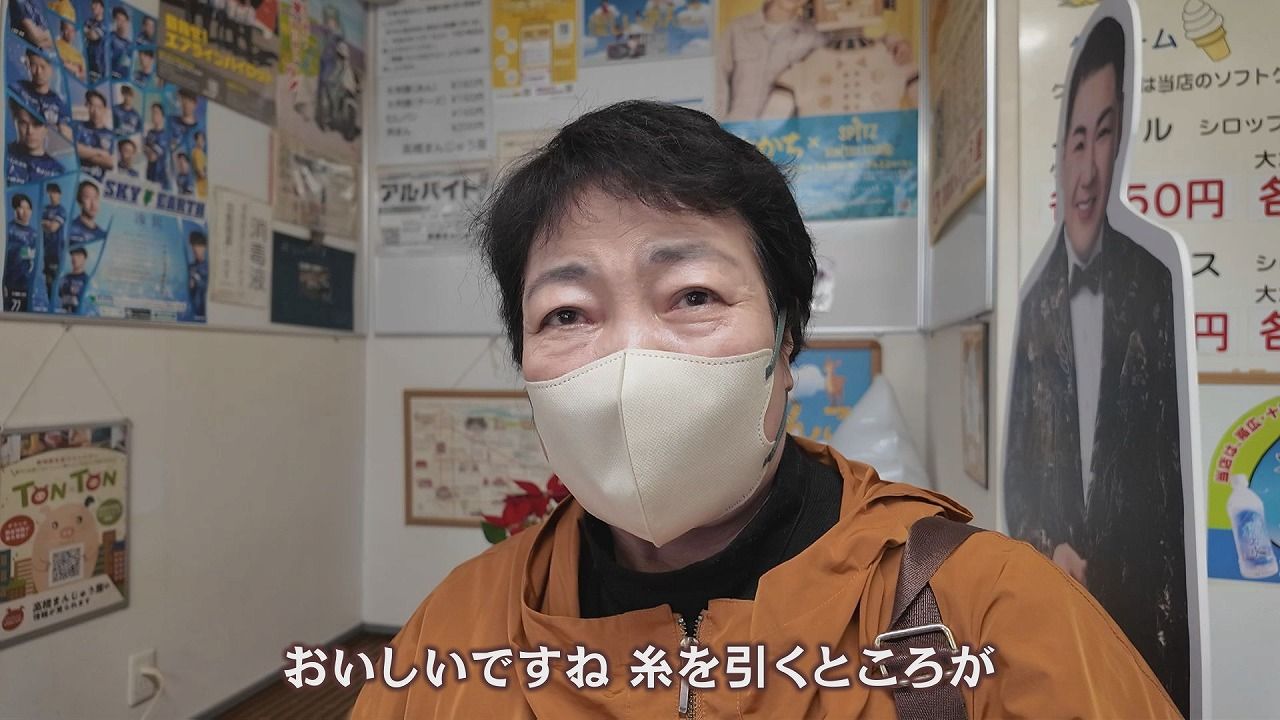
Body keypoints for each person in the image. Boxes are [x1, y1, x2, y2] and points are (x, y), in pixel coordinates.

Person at [351, 101, 1181, 718]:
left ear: (787, 342)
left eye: (693, 295)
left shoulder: (986, 609)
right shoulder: (457, 629)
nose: (627, 362)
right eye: (566, 313)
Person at [1003, 17, 1188, 717]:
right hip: (1051, 634)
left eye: (1103, 136)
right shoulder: (1034, 298)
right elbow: (1021, 473)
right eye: (1075, 140)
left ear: (1125, 142)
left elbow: (1167, 498)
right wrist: (1050, 547)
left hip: (1148, 643)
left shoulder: (1157, 282)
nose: (1086, 170)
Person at [716, 0, 821, 121]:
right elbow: (718, 77)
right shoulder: (737, 28)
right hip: (735, 126)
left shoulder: (814, 38)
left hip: (781, 130)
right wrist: (718, 125)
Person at [9, 48, 73, 141]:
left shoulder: (60, 105)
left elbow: (66, 135)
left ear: (51, 68)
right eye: (33, 65)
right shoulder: (17, 88)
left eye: (43, 66)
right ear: (27, 65)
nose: (38, 71)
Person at [6, 102, 65, 185]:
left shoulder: (57, 170)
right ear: (15, 122)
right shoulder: (4, 155)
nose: (30, 131)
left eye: (37, 124)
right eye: (23, 123)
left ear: (47, 127)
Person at [4, 193, 40, 311]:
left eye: (28, 208)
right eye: (21, 208)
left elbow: (34, 259)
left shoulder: (34, 234)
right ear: (15, 209)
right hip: (9, 283)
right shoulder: (7, 230)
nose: (25, 212)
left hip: (26, 284)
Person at [75, 89, 114, 180]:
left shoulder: (111, 135)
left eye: (99, 107)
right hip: (79, 178)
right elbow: (74, 150)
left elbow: (110, 162)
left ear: (105, 109)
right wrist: (100, 152)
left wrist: (84, 153)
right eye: (92, 106)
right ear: (88, 107)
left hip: (98, 182)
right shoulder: (78, 126)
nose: (95, 111)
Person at [41, 182, 64, 297]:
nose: (52, 195)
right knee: (48, 278)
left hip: (56, 250)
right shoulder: (45, 209)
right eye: (50, 192)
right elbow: (40, 224)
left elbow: (53, 228)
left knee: (55, 278)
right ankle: (50, 301)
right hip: (46, 250)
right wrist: (48, 224)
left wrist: (47, 224)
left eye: (54, 192)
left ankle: (61, 301)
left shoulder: (61, 210)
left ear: (59, 194)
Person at [67, 180, 106, 250]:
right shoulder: (70, 229)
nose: (93, 204)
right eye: (87, 198)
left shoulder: (102, 234)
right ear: (79, 202)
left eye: (96, 198)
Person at [57, 245, 90, 314]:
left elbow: (91, 299)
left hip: (78, 317)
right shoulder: (64, 278)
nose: (74, 258)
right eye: (73, 255)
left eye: (78, 255)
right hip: (62, 315)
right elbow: (58, 296)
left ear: (84, 258)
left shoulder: (86, 280)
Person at [143, 102, 168, 187]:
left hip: (161, 178)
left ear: (162, 116)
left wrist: (150, 149)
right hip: (149, 176)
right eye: (152, 113)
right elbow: (145, 150)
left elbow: (153, 156)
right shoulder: (149, 133)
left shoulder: (166, 135)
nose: (153, 115)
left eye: (156, 112)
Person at [84, 0, 107, 82]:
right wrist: (90, 32)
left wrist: (88, 31)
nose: (93, 6)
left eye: (96, 4)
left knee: (95, 85)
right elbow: (83, 32)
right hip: (87, 60)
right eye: (92, 4)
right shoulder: (88, 21)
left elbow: (93, 36)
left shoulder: (105, 24)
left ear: (102, 8)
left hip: (98, 63)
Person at [187, 230, 207, 318]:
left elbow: (205, 286)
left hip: (202, 313)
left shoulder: (208, 268)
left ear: (204, 247)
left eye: (199, 245)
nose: (195, 249)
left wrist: (195, 278)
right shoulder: (190, 267)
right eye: (193, 245)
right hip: (190, 312)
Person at [109, 6, 132, 80]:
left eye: (123, 20)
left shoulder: (131, 46)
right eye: (118, 19)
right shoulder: (110, 37)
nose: (122, 23)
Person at [192, 130, 208, 196]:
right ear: (195, 141)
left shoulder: (201, 153)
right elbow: (200, 172)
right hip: (200, 189)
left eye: (203, 139)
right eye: (199, 139)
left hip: (202, 188)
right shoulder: (197, 153)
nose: (201, 142)